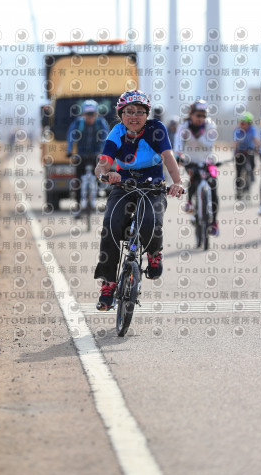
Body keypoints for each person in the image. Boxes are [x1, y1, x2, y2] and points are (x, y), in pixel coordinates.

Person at [93, 90, 184, 310]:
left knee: (150, 223)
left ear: (147, 114)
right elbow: (103, 163)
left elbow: (168, 157)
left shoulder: (156, 129)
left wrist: (177, 182)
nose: (134, 116)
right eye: (129, 112)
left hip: (152, 185)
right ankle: (109, 283)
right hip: (123, 186)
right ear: (121, 114)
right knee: (111, 226)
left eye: (140, 112)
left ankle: (154, 253)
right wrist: (105, 174)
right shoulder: (117, 132)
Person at [174, 100, 219, 236]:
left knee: (213, 187)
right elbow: (178, 143)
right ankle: (189, 202)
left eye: (203, 116)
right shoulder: (184, 126)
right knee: (194, 177)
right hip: (190, 160)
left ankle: (214, 222)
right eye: (198, 115)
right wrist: (178, 155)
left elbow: (209, 143)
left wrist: (197, 134)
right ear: (191, 114)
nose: (201, 119)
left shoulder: (210, 125)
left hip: (207, 161)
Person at [66, 99, 109, 214]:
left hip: (96, 154)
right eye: (87, 115)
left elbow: (106, 138)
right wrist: (69, 150)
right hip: (81, 155)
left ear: (96, 114)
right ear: (83, 114)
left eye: (92, 114)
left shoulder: (101, 123)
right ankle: (78, 205)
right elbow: (71, 136)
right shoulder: (78, 123)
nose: (90, 117)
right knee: (78, 180)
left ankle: (100, 189)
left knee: (101, 174)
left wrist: (106, 152)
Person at [233, 112, 259, 199]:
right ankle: (238, 190)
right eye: (241, 123)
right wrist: (235, 152)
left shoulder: (252, 130)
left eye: (244, 123)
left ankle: (250, 177)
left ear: (249, 123)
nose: (242, 125)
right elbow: (236, 142)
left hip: (249, 150)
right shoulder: (238, 130)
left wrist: (259, 150)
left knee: (253, 165)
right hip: (240, 151)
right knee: (238, 171)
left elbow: (255, 140)